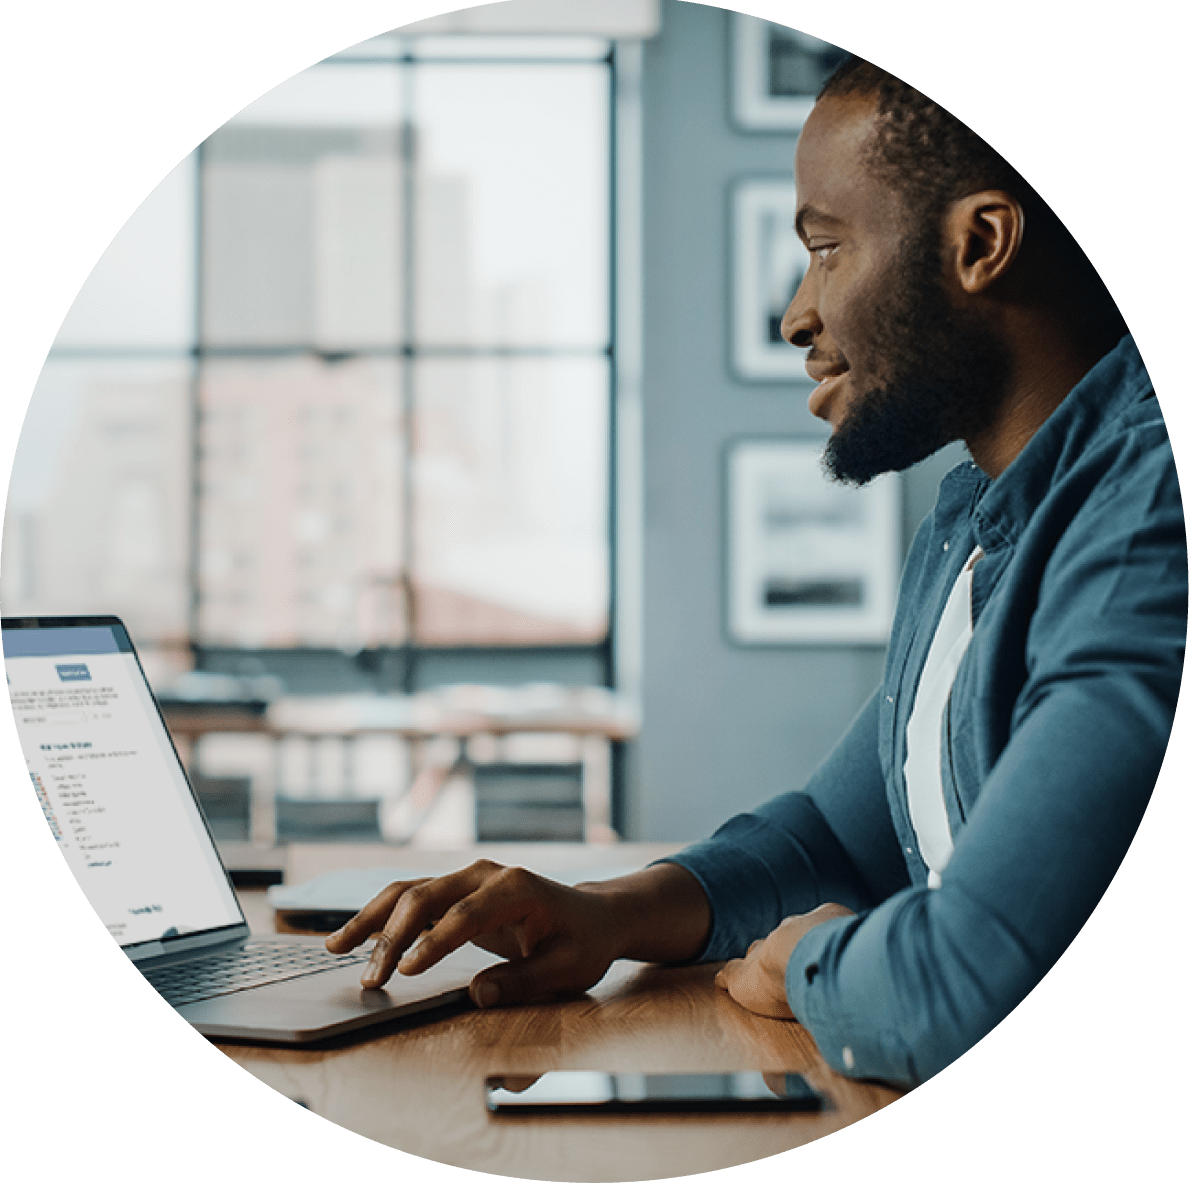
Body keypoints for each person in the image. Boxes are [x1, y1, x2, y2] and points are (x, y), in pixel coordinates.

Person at [326, 59, 1187, 1089]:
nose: (795, 316)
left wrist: (806, 964)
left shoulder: (1144, 519)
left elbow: (967, 985)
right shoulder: (977, 519)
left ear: (980, 245)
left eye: (825, 250)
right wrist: (606, 911)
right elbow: (836, 830)